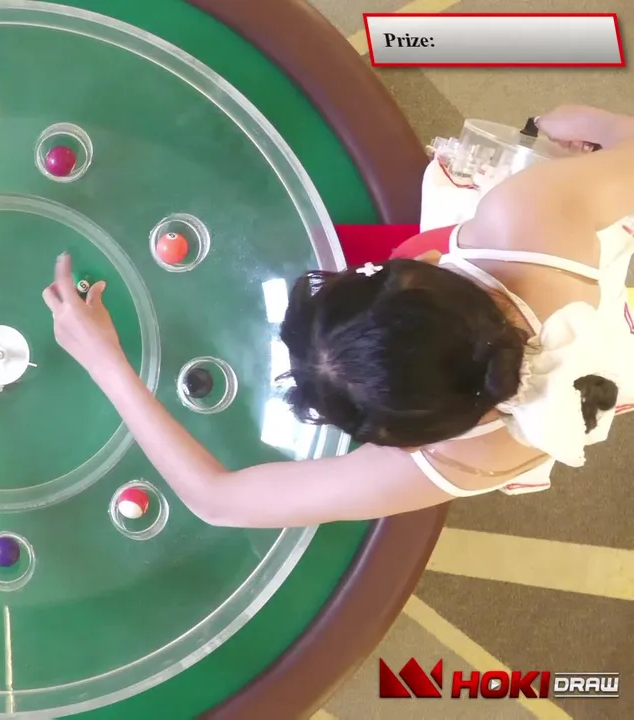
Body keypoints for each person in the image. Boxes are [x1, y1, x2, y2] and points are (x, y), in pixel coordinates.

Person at [42, 104, 634, 528]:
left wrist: (105, 363)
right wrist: (600, 126)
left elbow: (219, 501)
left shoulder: (468, 458)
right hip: (576, 266)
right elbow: (214, 499)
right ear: (417, 273)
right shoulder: (528, 212)